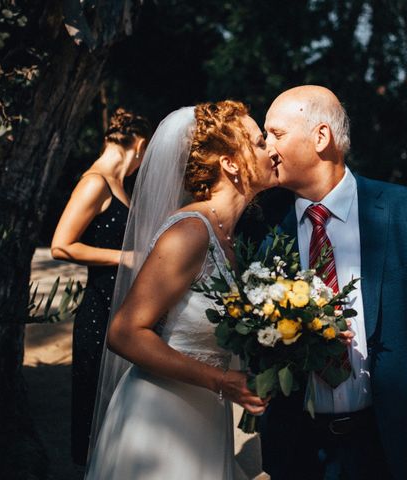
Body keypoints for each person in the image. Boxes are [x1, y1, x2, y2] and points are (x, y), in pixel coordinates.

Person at [257, 85, 407, 480]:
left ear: (320, 137)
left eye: (276, 134)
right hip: (297, 445)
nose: (266, 148)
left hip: (385, 439)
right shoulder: (261, 225)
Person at [84, 101, 278, 479]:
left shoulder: (230, 237)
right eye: (258, 142)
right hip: (160, 420)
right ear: (231, 164)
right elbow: (124, 333)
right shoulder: (191, 232)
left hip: (205, 416)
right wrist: (222, 381)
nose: (270, 149)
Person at [50, 108, 151, 465]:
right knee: (97, 414)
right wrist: (123, 258)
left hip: (120, 310)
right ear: (139, 146)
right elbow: (61, 244)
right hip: (98, 314)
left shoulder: (118, 185)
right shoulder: (94, 182)